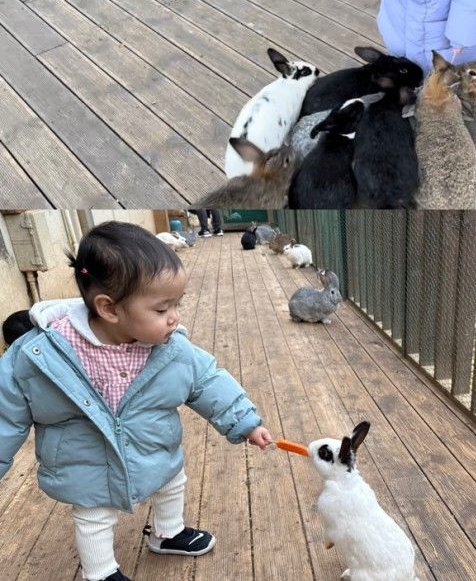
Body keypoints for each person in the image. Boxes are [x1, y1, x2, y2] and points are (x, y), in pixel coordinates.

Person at [0, 221, 272, 581]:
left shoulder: (171, 350)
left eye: (178, 304)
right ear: (110, 309)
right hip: (86, 463)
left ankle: (167, 532)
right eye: (162, 309)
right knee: (94, 516)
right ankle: (99, 573)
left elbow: (207, 381)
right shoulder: (38, 356)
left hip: (152, 444)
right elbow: (6, 414)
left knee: (172, 480)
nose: (174, 317)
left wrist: (245, 421)